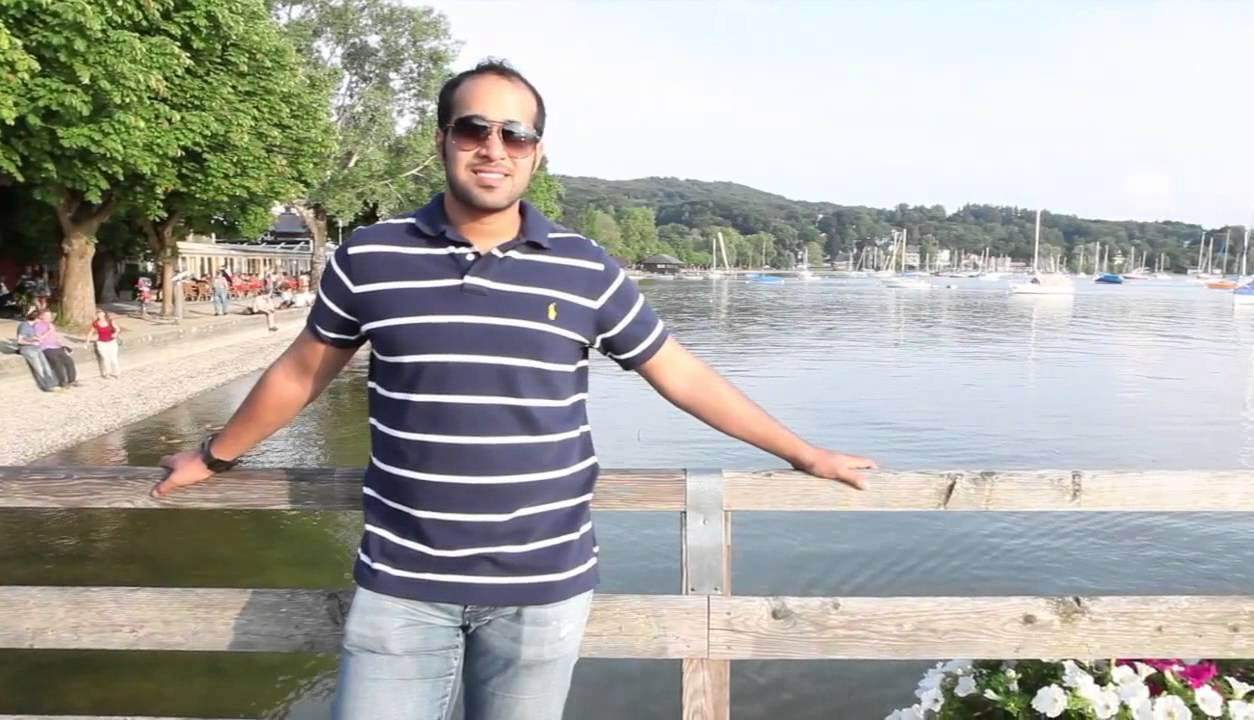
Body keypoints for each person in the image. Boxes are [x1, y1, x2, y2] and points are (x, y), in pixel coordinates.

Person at [151, 60, 877, 720]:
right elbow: (300, 373)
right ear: (442, 140)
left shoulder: (585, 269)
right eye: (474, 129)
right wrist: (214, 456)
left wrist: (803, 452)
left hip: (542, 584)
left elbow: (682, 375)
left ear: (537, 152)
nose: (493, 148)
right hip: (403, 580)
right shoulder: (371, 257)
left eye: (515, 134)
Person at [15, 307, 59, 391]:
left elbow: (30, 336)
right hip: (28, 349)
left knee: (46, 366)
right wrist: (32, 343)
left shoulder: (33, 326)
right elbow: (20, 341)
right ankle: (46, 386)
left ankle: (53, 383)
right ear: (36, 318)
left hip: (36, 347)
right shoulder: (24, 326)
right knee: (39, 368)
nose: (41, 321)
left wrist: (36, 338)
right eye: (40, 319)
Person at [33, 309, 77, 388]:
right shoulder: (38, 326)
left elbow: (54, 337)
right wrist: (49, 331)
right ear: (41, 316)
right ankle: (62, 382)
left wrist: (62, 346)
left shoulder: (51, 325)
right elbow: (39, 339)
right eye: (47, 316)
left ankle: (72, 380)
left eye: (50, 316)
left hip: (56, 347)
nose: (49, 317)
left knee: (69, 361)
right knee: (57, 363)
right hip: (47, 348)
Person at [83, 307, 122, 378]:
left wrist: (115, 333)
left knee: (113, 358)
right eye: (98, 314)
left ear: (104, 314)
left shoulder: (110, 321)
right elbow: (91, 332)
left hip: (111, 342)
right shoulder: (96, 323)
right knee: (105, 358)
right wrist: (87, 342)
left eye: (101, 313)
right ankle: (107, 373)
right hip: (101, 343)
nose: (99, 315)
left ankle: (117, 373)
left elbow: (117, 328)